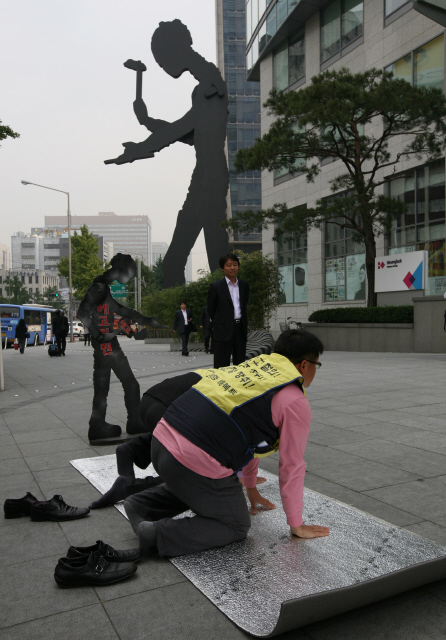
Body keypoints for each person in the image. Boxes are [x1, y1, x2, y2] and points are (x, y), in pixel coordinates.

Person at [124, 330, 329, 558]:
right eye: (316, 365)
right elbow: (291, 466)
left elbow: (249, 434)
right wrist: (296, 525)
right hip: (189, 458)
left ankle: (142, 505)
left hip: (161, 440)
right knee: (236, 524)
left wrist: (250, 486)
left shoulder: (255, 367)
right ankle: (156, 535)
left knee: (204, 486)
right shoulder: (294, 400)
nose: (314, 372)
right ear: (304, 365)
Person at [104, 19, 230, 288]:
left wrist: (139, 148)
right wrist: (148, 122)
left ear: (175, 50)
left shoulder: (210, 84)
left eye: (161, 60)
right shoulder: (205, 84)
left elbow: (180, 130)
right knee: (173, 263)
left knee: (217, 261)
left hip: (211, 179)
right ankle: (186, 321)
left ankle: (226, 323)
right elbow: (193, 135)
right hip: (203, 178)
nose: (162, 67)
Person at [77, 253, 165, 444]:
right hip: (107, 344)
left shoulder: (103, 287)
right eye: (131, 273)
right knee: (129, 384)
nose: (130, 278)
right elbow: (82, 313)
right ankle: (131, 421)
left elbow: (122, 310)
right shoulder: (99, 288)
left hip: (105, 343)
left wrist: (146, 320)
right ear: (122, 270)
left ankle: (98, 424)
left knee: (102, 386)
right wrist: (99, 335)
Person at [207, 253, 249, 368]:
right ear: (222, 268)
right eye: (229, 265)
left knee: (240, 364)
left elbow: (244, 305)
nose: (232, 268)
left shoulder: (244, 286)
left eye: (235, 265)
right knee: (221, 364)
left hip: (240, 329)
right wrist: (221, 321)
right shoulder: (216, 286)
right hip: (223, 330)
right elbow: (211, 309)